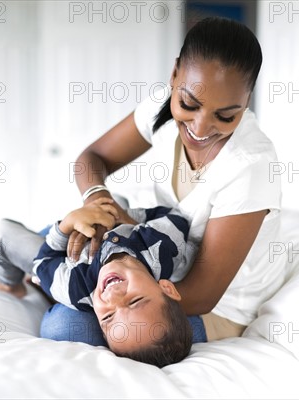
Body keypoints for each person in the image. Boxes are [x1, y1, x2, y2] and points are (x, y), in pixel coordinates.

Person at [42, 17, 284, 343]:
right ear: (174, 75)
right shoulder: (160, 107)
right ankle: (28, 272)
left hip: (211, 307)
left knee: (65, 328)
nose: (200, 128)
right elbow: (92, 158)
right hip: (155, 251)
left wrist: (106, 280)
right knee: (70, 230)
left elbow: (202, 294)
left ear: (247, 100)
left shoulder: (251, 166)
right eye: (189, 104)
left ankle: (40, 281)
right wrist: (99, 203)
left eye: (226, 116)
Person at [0, 198, 195, 367]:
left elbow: (44, 260)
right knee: (114, 198)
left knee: (1, 235)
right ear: (166, 287)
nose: (113, 296)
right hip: (116, 222)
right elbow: (176, 218)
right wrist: (120, 217)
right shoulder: (163, 248)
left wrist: (65, 227)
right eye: (135, 301)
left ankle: (10, 284)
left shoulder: (75, 289)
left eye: (107, 316)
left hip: (64, 253)